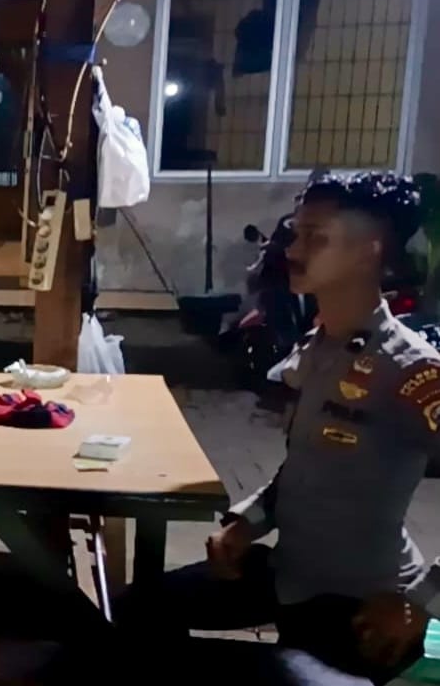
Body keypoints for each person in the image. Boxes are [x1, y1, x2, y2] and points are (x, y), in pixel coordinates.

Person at [115, 173, 438, 685]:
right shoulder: (318, 347)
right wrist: (246, 523)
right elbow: (306, 467)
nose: (293, 249)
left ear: (368, 251)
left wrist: (420, 601)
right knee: (137, 611)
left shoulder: (410, 368)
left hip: (361, 605)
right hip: (290, 574)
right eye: (295, 232)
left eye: (316, 237)